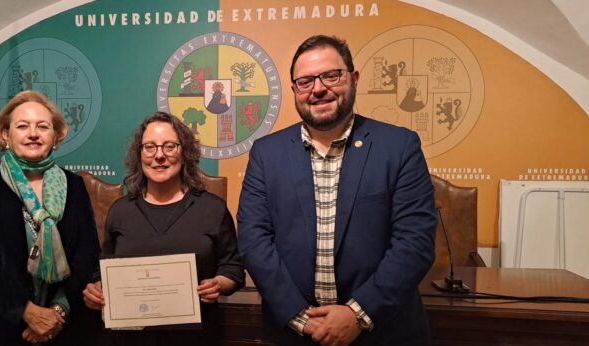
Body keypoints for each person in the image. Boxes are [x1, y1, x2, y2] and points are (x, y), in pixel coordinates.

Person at [237, 35, 437, 345]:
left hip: (382, 331)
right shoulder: (266, 153)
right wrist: (300, 317)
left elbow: (415, 241)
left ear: (353, 78)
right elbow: (254, 240)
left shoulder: (399, 147)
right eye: (305, 81)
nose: (318, 89)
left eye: (331, 76)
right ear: (294, 90)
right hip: (294, 333)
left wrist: (358, 315)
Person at [0, 90, 101, 345]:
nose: (33, 134)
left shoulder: (74, 185)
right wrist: (26, 311)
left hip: (62, 326)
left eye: (43, 126)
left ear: (55, 136)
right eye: (22, 126)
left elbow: (86, 255)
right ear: (6, 135)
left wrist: (58, 310)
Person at [82, 112, 245, 345]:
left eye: (169, 146)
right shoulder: (120, 211)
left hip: (196, 338)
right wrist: (97, 290)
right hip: (130, 338)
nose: (159, 155)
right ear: (139, 154)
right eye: (149, 147)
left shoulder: (213, 209)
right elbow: (103, 268)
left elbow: (232, 269)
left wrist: (218, 284)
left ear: (184, 152)